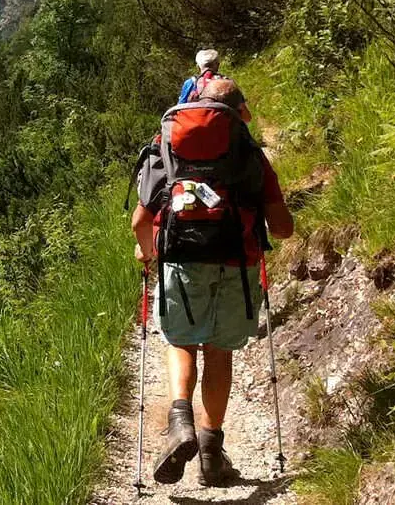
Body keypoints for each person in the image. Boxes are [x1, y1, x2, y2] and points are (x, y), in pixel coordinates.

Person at [131, 78, 293, 486]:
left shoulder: (167, 148)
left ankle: (180, 420)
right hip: (237, 265)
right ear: (237, 114)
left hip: (182, 260)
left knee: (182, 341)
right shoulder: (249, 155)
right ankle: (210, 451)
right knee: (219, 353)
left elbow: (139, 221)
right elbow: (283, 228)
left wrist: (148, 249)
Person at [179, 49, 253, 123]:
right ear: (218, 65)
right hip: (224, 131)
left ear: (198, 67)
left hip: (194, 130)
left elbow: (179, 112)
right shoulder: (227, 83)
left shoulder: (189, 84)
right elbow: (246, 118)